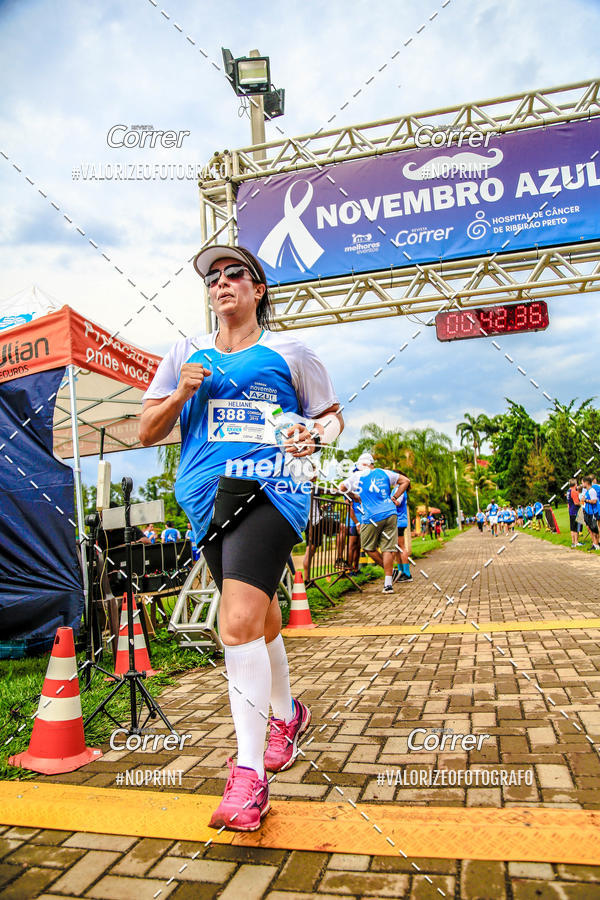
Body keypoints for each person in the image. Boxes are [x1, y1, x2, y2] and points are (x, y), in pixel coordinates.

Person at [139, 244, 343, 832]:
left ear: (257, 290)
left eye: (236, 274)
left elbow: (331, 414)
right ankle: (288, 714)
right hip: (206, 498)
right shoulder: (183, 353)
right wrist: (180, 392)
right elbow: (148, 428)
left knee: (234, 623)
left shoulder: (290, 351)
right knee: (263, 619)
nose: (222, 283)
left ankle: (249, 776)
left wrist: (314, 434)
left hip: (272, 488)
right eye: (214, 277)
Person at [341, 452, 404, 594]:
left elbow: (341, 488)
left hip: (371, 517)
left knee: (368, 548)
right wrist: (394, 497)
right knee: (388, 548)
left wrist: (355, 496)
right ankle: (388, 584)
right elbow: (406, 481)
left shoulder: (357, 476)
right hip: (390, 513)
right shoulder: (385, 473)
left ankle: (390, 571)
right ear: (372, 464)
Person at [392, 472, 411, 583]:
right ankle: (400, 572)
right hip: (397, 521)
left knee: (401, 547)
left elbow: (397, 502)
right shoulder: (396, 489)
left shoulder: (400, 489)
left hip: (398, 521)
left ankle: (407, 574)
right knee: (397, 548)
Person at [581, 476, 600, 551]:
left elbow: (594, 501)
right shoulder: (587, 491)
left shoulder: (592, 491)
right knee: (591, 529)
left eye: (582, 483)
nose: (582, 484)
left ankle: (597, 544)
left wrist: (586, 500)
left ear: (586, 483)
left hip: (593, 513)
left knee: (594, 529)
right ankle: (595, 544)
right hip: (588, 512)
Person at [566, 479, 583, 549]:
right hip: (575, 511)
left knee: (572, 527)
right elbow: (576, 502)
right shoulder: (573, 492)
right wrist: (582, 503)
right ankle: (576, 542)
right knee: (575, 528)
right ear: (575, 484)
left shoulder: (568, 491)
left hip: (571, 511)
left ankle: (573, 542)